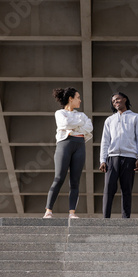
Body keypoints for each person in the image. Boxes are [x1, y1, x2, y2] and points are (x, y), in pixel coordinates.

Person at [43, 87, 93, 219]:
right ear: (70, 99)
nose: (80, 100)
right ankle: (48, 211)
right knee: (59, 178)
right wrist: (79, 126)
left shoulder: (81, 115)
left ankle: (72, 213)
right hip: (65, 144)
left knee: (75, 181)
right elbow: (64, 123)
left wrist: (74, 126)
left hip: (80, 145)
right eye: (78, 97)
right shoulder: (59, 113)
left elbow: (90, 127)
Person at [99, 92, 138, 218]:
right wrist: (102, 160)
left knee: (126, 190)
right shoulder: (109, 120)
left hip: (129, 158)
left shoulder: (136, 117)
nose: (116, 102)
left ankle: (126, 219)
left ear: (125, 99)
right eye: (113, 101)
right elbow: (105, 141)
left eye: (118, 99)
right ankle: (105, 219)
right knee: (108, 189)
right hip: (112, 158)